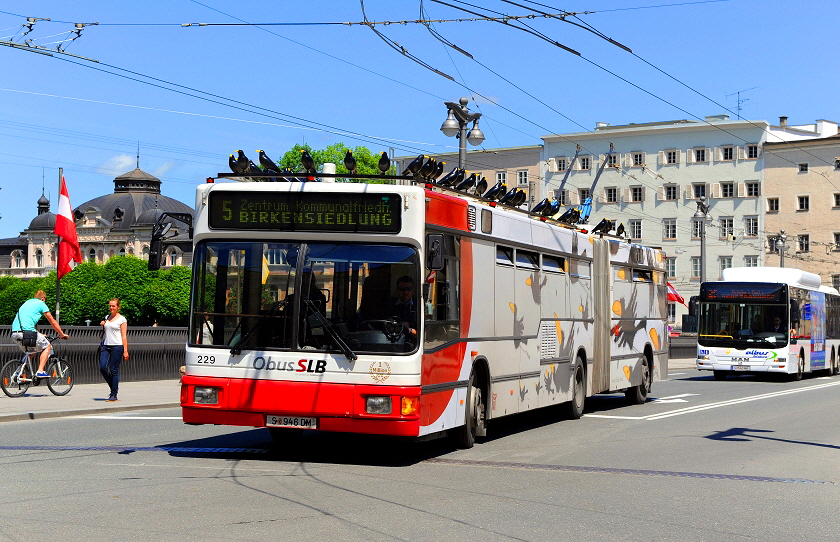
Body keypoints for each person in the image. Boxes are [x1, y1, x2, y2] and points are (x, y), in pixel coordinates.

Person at [11, 290, 69, 378]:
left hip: (14, 333)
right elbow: (52, 321)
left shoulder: (27, 302)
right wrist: (61, 334)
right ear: (43, 298)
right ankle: (40, 371)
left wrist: (40, 334)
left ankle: (18, 372)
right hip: (27, 333)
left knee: (31, 351)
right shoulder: (41, 304)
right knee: (47, 346)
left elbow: (28, 322)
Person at [99, 298, 129, 402]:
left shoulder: (122, 319)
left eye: (113, 306)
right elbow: (107, 330)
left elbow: (124, 336)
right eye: (110, 306)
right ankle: (113, 386)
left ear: (118, 307)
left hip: (117, 346)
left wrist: (125, 350)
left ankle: (114, 394)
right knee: (102, 367)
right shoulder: (107, 317)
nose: (111, 308)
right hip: (106, 345)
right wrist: (103, 324)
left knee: (113, 370)